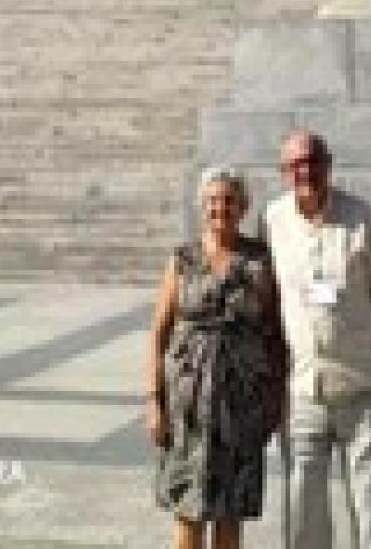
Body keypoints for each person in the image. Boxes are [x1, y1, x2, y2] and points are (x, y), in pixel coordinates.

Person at [262, 131, 371, 549]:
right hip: (303, 392)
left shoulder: (361, 219)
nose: (305, 171)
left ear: (328, 163)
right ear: (283, 173)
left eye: (313, 161)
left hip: (363, 386)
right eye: (296, 165)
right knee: (303, 510)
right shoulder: (273, 221)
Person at [146, 164, 287, 549]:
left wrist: (277, 397)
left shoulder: (260, 260)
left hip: (242, 401)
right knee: (188, 509)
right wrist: (153, 401)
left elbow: (276, 333)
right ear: (200, 207)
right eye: (212, 200)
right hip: (187, 404)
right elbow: (159, 331)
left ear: (242, 207)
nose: (219, 208)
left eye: (228, 200)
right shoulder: (182, 259)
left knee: (230, 510)